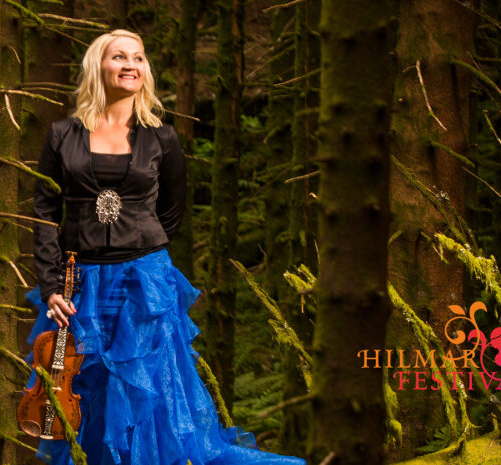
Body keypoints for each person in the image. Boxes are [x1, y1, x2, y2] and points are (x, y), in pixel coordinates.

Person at [22, 29, 306, 465]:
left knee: (149, 393)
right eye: (119, 56)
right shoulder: (62, 134)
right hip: (79, 285)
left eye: (138, 57)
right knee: (84, 390)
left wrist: (139, 247)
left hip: (144, 284)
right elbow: (45, 212)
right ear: (98, 66)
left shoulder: (162, 138)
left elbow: (171, 213)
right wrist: (50, 286)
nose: (131, 64)